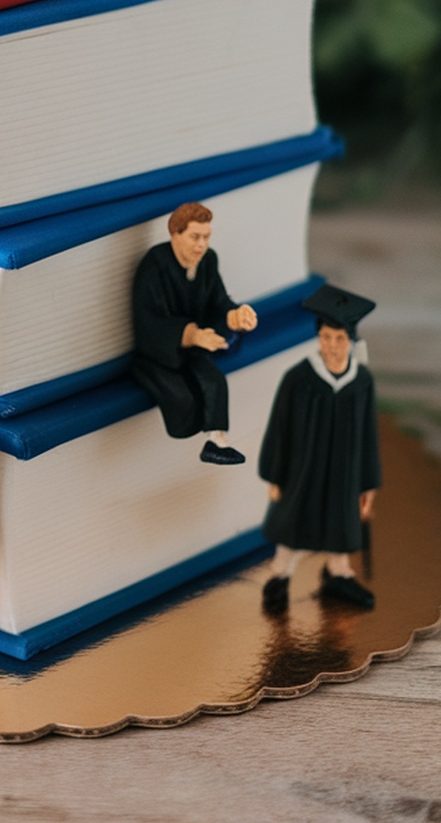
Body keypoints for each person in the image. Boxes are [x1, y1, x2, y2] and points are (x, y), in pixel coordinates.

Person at [259, 282, 381, 611]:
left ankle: (338, 575)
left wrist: (368, 483)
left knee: (341, 522)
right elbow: (279, 428)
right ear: (318, 338)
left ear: (351, 341)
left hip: (345, 471)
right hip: (304, 469)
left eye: (340, 339)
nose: (332, 346)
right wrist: (274, 475)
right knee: (295, 522)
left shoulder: (361, 381)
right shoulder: (299, 379)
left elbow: (369, 434)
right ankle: (279, 577)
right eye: (326, 337)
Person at [131, 202, 258, 463]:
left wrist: (234, 315)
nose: (201, 245)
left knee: (214, 380)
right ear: (175, 235)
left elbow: (219, 300)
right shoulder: (155, 266)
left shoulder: (208, 261)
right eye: (194, 237)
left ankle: (217, 442)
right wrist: (191, 335)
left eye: (206, 237)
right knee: (183, 401)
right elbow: (150, 321)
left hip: (195, 346)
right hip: (162, 353)